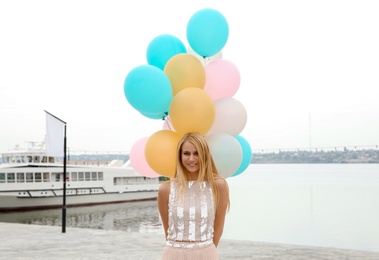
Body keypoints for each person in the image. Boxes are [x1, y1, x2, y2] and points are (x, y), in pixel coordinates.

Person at [158, 132, 230, 260]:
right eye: (186, 153)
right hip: (173, 254)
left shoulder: (218, 185)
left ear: (205, 155)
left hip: (206, 253)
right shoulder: (166, 189)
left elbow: (218, 227)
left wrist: (205, 251)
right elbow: (168, 230)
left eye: (196, 153)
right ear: (180, 156)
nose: (191, 159)